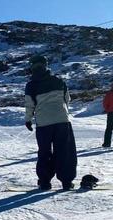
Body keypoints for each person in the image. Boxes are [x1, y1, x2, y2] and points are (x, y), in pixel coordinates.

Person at [24, 55, 77, 190]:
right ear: (45, 65)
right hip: (62, 120)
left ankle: (45, 181)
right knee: (64, 151)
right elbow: (67, 99)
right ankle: (66, 181)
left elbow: (29, 105)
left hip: (43, 123)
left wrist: (28, 119)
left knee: (44, 152)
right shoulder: (58, 81)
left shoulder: (31, 85)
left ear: (32, 67)